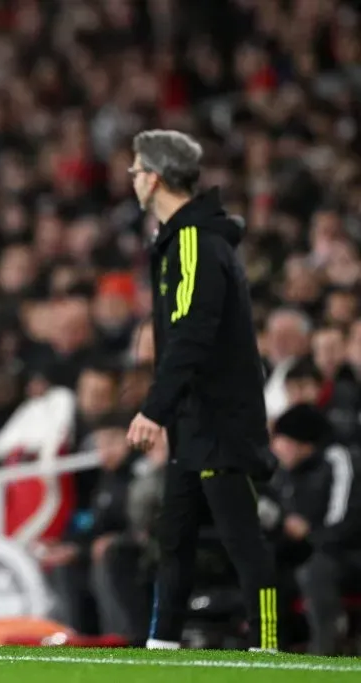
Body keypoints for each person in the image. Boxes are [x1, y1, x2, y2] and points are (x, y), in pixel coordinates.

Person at [124, 129, 280, 651]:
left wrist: (154, 409)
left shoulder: (192, 240)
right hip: (196, 420)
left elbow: (192, 333)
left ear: (159, 177)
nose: (132, 178)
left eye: (138, 169)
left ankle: (269, 648)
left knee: (241, 538)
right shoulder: (177, 239)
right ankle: (162, 647)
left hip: (218, 420)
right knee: (175, 539)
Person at [261, 404, 361, 655]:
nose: (275, 447)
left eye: (280, 439)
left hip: (344, 553)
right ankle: (270, 648)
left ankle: (324, 652)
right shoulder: (285, 472)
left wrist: (309, 533)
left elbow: (347, 522)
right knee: (264, 564)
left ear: (301, 442)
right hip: (304, 549)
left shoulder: (339, 461)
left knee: (314, 569)